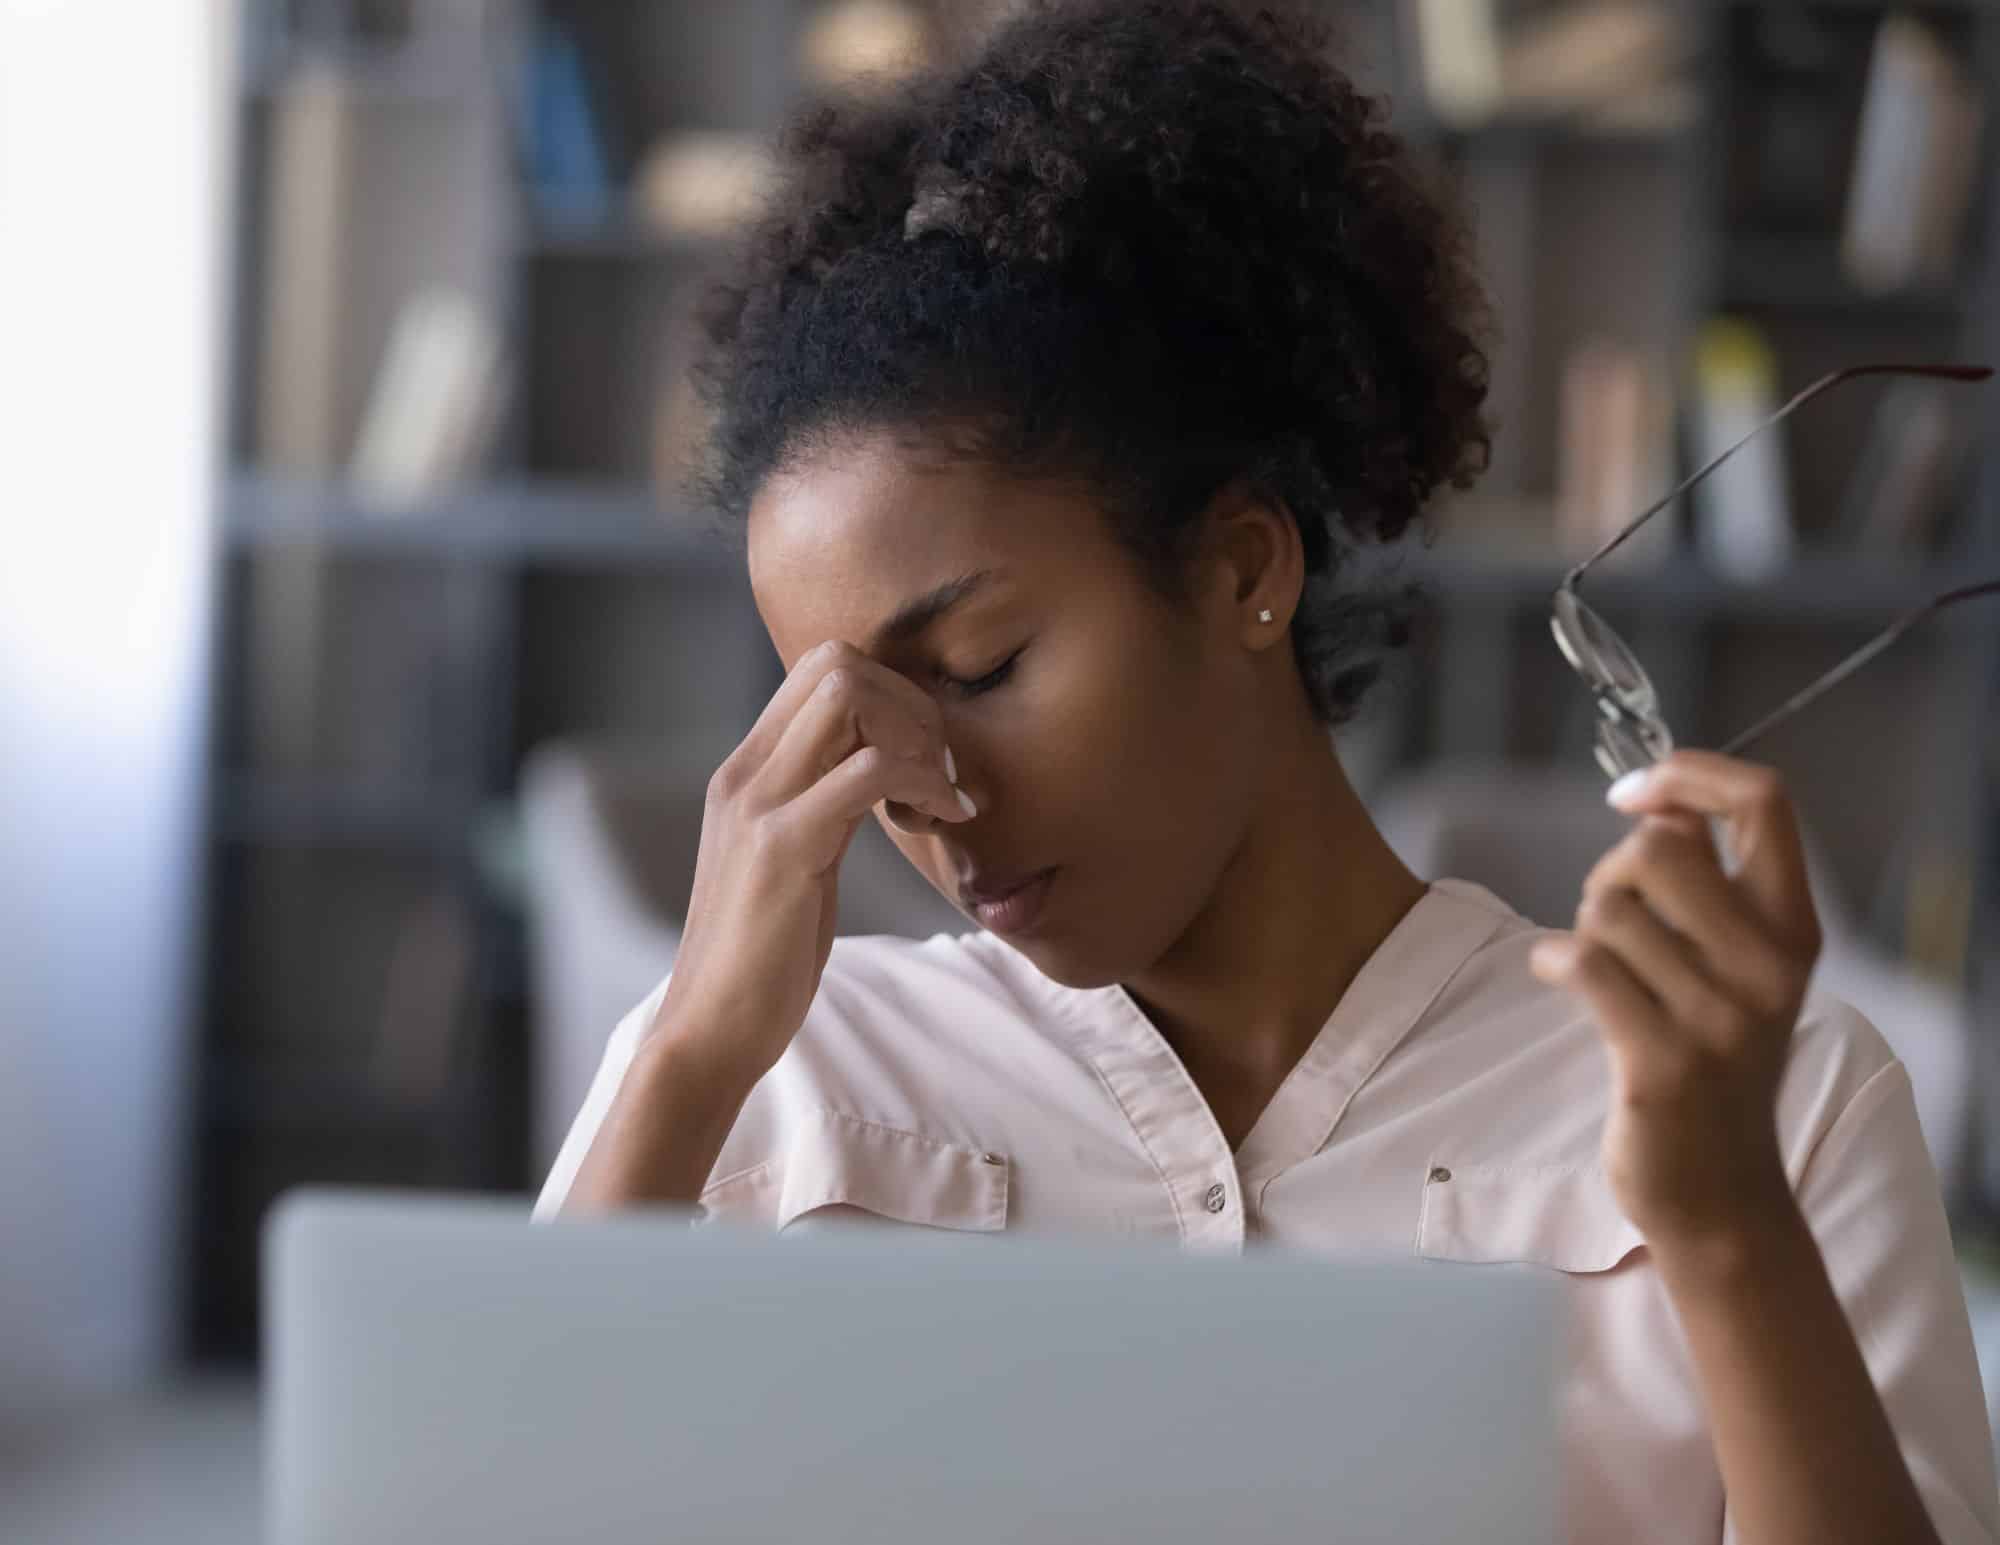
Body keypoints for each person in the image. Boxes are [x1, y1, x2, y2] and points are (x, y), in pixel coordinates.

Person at [531, 2, 1999, 1539]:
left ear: (1243, 569)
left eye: (980, 667)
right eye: (850, 721)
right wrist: (685, 1057)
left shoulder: (1770, 1108)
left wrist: (1726, 1227)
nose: (927, 793)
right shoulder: (772, 1088)